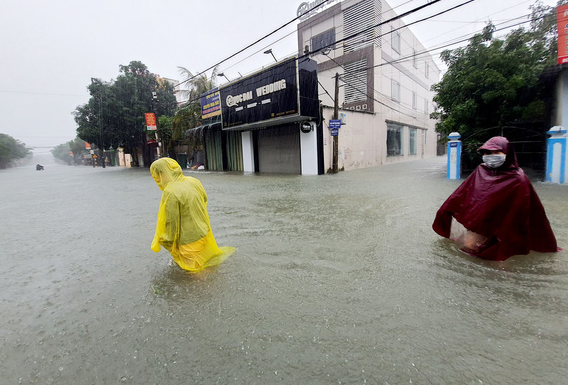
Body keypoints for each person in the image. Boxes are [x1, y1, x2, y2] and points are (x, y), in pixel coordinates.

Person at [432, 136, 559, 261]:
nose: (491, 156)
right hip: (481, 223)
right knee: (469, 248)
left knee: (500, 257)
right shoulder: (481, 170)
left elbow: (524, 210)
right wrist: (446, 209)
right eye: (488, 152)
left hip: (503, 225)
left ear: (507, 153)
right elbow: (463, 194)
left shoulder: (518, 179)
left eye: (496, 152)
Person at [150, 157, 235, 272]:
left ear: (160, 174)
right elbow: (204, 199)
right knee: (206, 262)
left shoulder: (170, 191)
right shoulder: (192, 180)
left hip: (189, 241)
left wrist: (166, 241)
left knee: (194, 272)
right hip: (203, 231)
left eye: (156, 175)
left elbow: (171, 221)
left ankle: (208, 288)